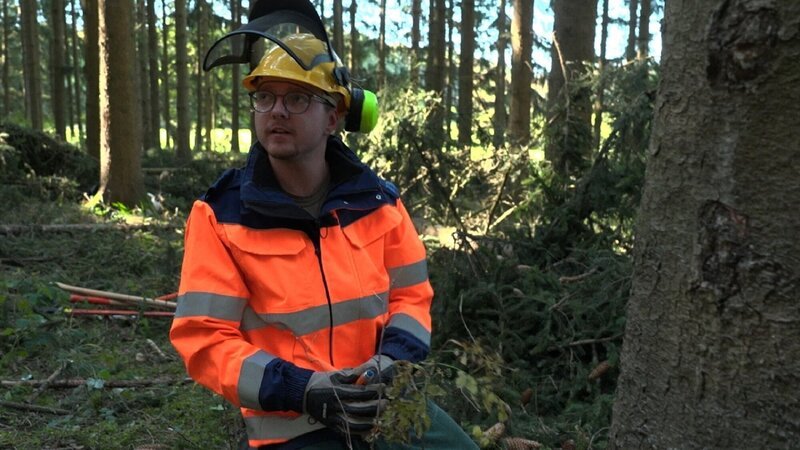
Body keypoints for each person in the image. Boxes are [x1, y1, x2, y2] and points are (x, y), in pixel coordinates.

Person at [169, 8, 478, 450]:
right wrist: (302, 388)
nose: (277, 111)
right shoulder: (221, 215)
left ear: (334, 117)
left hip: (385, 399)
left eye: (297, 98)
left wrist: (391, 362)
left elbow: (412, 297)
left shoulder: (380, 204)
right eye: (265, 97)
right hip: (293, 423)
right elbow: (203, 338)